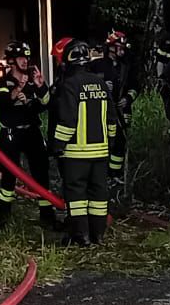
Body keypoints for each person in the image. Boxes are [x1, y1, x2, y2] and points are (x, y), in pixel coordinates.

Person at [51, 37, 117, 245]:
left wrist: (56, 146)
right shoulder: (100, 83)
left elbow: (68, 122)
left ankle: (80, 236)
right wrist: (110, 144)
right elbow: (112, 120)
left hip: (76, 153)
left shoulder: (70, 85)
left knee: (76, 195)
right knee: (98, 194)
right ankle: (98, 234)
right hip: (101, 152)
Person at [0, 41, 51, 227]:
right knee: (9, 175)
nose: (25, 61)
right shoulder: (4, 82)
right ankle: (4, 217)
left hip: (32, 132)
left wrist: (40, 87)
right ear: (12, 61)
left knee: (41, 173)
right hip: (11, 134)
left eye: (26, 57)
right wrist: (17, 90)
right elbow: (3, 101)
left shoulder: (33, 81)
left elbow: (46, 104)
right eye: (21, 58)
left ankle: (47, 217)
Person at [100, 29, 138, 200]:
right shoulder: (97, 66)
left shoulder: (126, 67)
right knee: (106, 142)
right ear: (110, 47)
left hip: (122, 112)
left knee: (120, 144)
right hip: (104, 113)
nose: (121, 50)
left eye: (123, 47)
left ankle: (115, 174)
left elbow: (135, 86)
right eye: (118, 46)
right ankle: (104, 175)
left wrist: (128, 98)